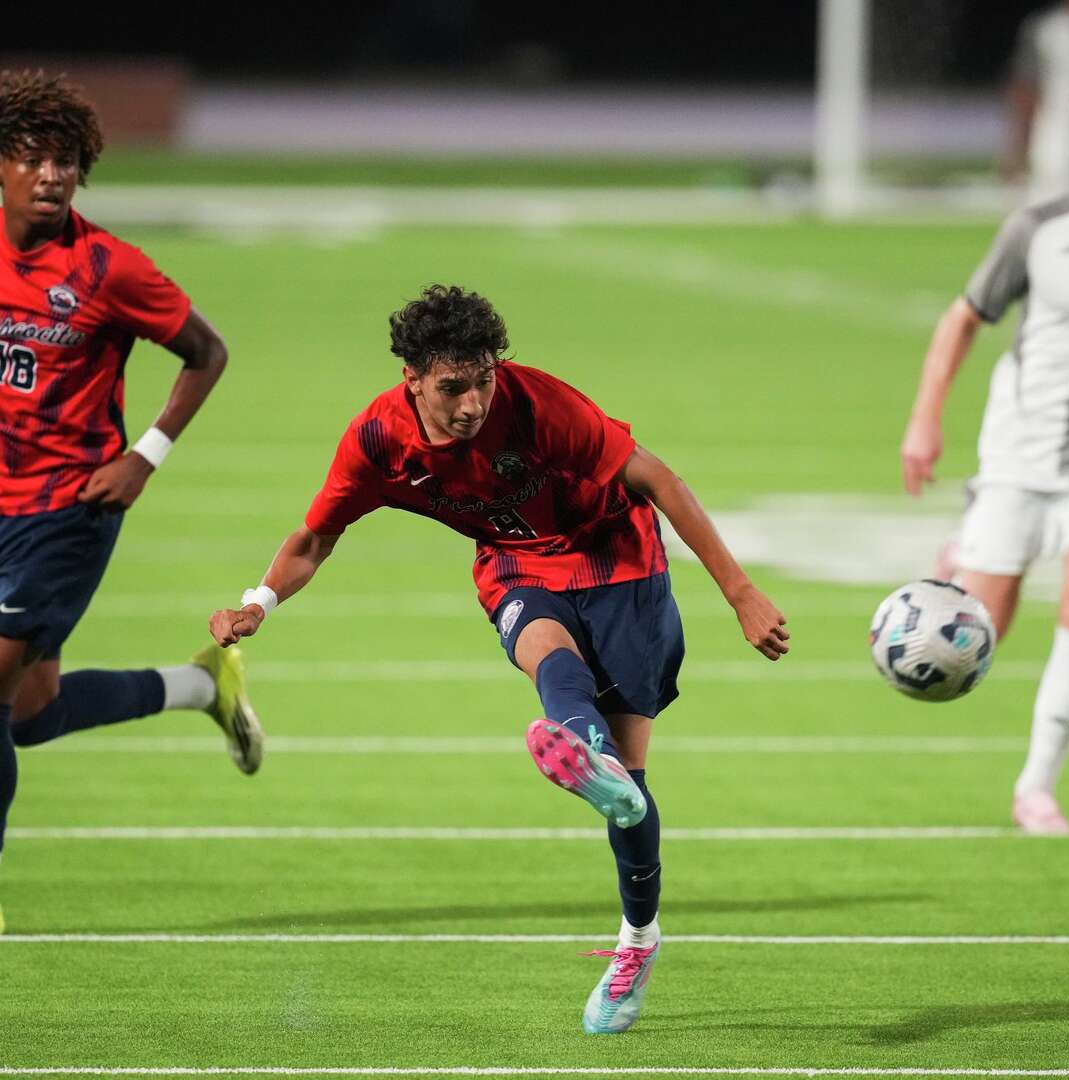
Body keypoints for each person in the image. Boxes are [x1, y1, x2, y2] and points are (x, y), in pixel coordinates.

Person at [209, 283, 789, 1034]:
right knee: (544, 652)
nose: (473, 401)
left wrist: (739, 592)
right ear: (412, 378)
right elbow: (316, 537)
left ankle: (638, 936)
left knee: (632, 787)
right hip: (518, 564)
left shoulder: (539, 407)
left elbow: (657, 478)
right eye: (453, 386)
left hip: (619, 561)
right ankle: (582, 749)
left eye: (483, 379)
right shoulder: (380, 443)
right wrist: (260, 602)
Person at [0, 70, 263, 932]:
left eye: (67, 160)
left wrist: (144, 457)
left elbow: (207, 351)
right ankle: (198, 687)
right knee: (30, 716)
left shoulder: (111, 268)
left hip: (64, 513)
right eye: (33, 157)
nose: (51, 174)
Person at [901, 84, 1069, 837]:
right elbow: (963, 317)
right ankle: (956, 563)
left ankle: (1035, 787)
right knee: (967, 651)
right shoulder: (1040, 227)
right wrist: (925, 421)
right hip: (1017, 455)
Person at [1005, 1, 1069, 202]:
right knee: (1053, 208)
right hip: (1056, 135)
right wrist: (1017, 145)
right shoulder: (1046, 28)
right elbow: (1026, 88)